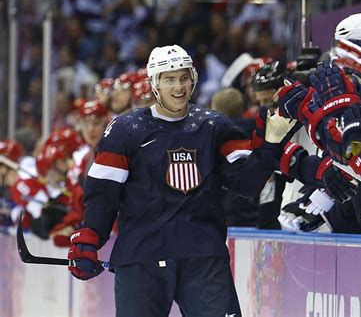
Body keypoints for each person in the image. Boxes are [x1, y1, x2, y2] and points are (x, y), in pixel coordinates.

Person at [67, 44, 296, 316]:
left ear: (194, 79)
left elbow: (245, 185)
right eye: (170, 79)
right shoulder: (124, 130)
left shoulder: (214, 125)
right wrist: (89, 238)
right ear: (154, 83)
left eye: (184, 77)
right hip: (143, 257)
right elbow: (103, 195)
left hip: (203, 256)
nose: (179, 86)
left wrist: (270, 146)